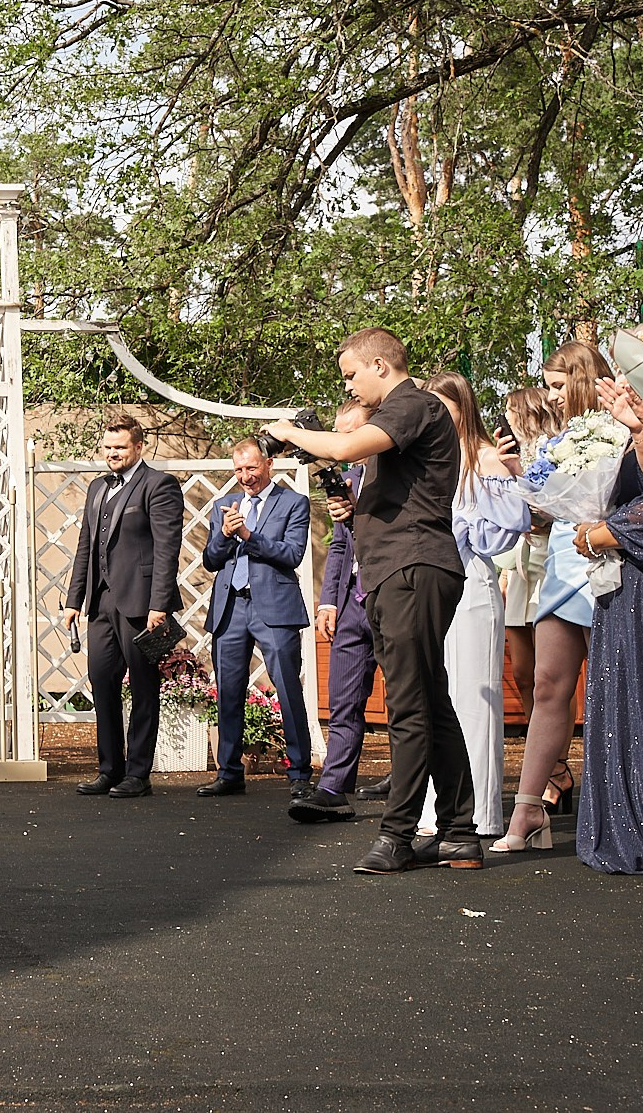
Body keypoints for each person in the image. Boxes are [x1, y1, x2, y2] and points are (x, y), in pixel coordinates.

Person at [262, 327, 476, 874]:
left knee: (407, 708)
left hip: (414, 569)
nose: (350, 388)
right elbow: (377, 490)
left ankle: (398, 835)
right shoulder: (400, 419)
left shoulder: (413, 405)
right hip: (394, 571)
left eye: (352, 376)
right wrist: (344, 497)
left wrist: (293, 432)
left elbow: (347, 444)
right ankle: (458, 834)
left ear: (380, 365)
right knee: (431, 702)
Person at [495, 342, 614, 851]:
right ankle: (527, 812)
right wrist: (519, 487)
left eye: (560, 386)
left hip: (610, 558)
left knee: (609, 689)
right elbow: (544, 511)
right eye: (549, 385)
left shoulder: (619, 429)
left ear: (586, 380)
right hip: (563, 559)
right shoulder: (557, 441)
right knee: (546, 684)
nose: (552, 396)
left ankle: (620, 807)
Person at [571, 378, 643, 874]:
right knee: (622, 697)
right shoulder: (631, 426)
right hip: (623, 584)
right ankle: (632, 823)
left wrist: (604, 533)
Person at [419, 372, 529, 838]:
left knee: (474, 702)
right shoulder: (430, 458)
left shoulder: (486, 459)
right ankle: (437, 810)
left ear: (463, 406)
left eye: (444, 406)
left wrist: (487, 483)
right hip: (433, 587)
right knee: (437, 699)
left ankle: (480, 812)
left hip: (473, 587)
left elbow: (511, 526)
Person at [61, 415, 185, 799]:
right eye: (108, 447)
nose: (112, 453)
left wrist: (159, 604)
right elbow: (86, 546)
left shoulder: (159, 485)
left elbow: (167, 549)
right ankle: (109, 769)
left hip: (141, 603)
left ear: (138, 447)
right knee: (102, 683)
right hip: (101, 603)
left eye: (120, 447)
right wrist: (73, 600)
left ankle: (139, 773)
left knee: (145, 689)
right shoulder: (98, 487)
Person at [196, 437, 312, 798]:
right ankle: (229, 772)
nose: (245, 477)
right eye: (239, 470)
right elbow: (211, 560)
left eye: (252, 468)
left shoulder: (293, 503)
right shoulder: (224, 506)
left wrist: (249, 534)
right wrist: (227, 536)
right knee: (229, 692)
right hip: (231, 607)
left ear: (268, 465)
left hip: (274, 606)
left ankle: (299, 773)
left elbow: (292, 554)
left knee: (287, 689)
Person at [290, 402, 380, 823]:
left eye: (350, 436)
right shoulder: (343, 480)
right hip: (351, 606)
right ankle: (333, 788)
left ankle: (410, 780)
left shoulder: (392, 474)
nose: (342, 444)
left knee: (405, 700)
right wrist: (328, 600)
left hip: (390, 599)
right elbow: (339, 544)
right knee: (343, 701)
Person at [496, 387, 561, 720]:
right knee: (523, 671)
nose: (505, 416)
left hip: (550, 560)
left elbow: (558, 506)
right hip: (520, 563)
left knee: (549, 675)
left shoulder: (556, 451)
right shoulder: (507, 454)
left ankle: (558, 761)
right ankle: (538, 739)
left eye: (510, 410)